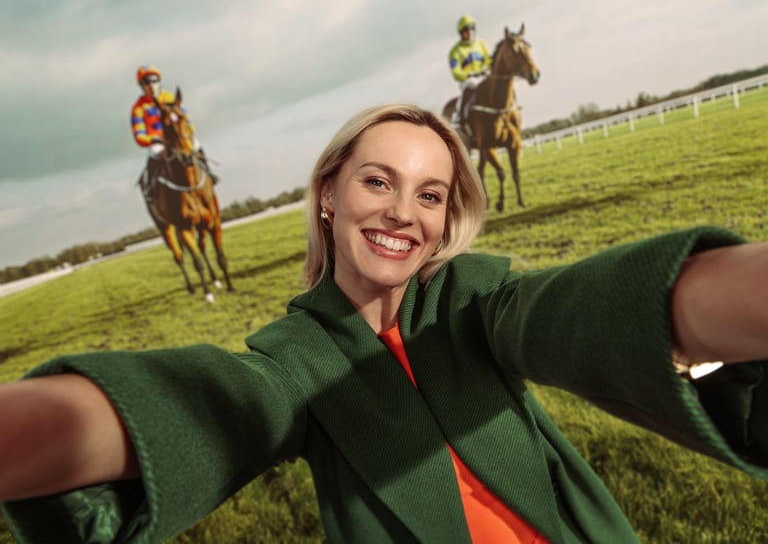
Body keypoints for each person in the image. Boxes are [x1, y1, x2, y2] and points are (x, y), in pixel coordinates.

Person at [2, 103, 768, 543]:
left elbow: (571, 313)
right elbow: (218, 407)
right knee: (163, 173)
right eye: (378, 182)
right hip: (160, 159)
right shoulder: (295, 359)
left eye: (430, 194)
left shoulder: (477, 301)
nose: (404, 211)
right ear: (328, 194)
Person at [130, 64, 217, 196]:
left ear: (159, 82)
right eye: (146, 82)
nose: (151, 85)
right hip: (158, 142)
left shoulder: (171, 98)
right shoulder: (138, 108)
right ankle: (151, 188)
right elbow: (139, 135)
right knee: (154, 154)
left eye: (154, 80)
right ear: (141, 86)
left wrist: (188, 132)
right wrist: (153, 139)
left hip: (178, 137)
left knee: (196, 144)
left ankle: (209, 173)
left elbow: (186, 121)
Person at [448, 15, 492, 127]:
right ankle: (460, 116)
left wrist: (487, 69)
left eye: (472, 29)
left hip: (483, 76)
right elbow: (455, 72)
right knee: (470, 85)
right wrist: (467, 75)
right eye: (466, 30)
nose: (470, 32)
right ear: (461, 33)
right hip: (468, 80)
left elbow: (489, 61)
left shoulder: (482, 44)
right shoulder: (455, 51)